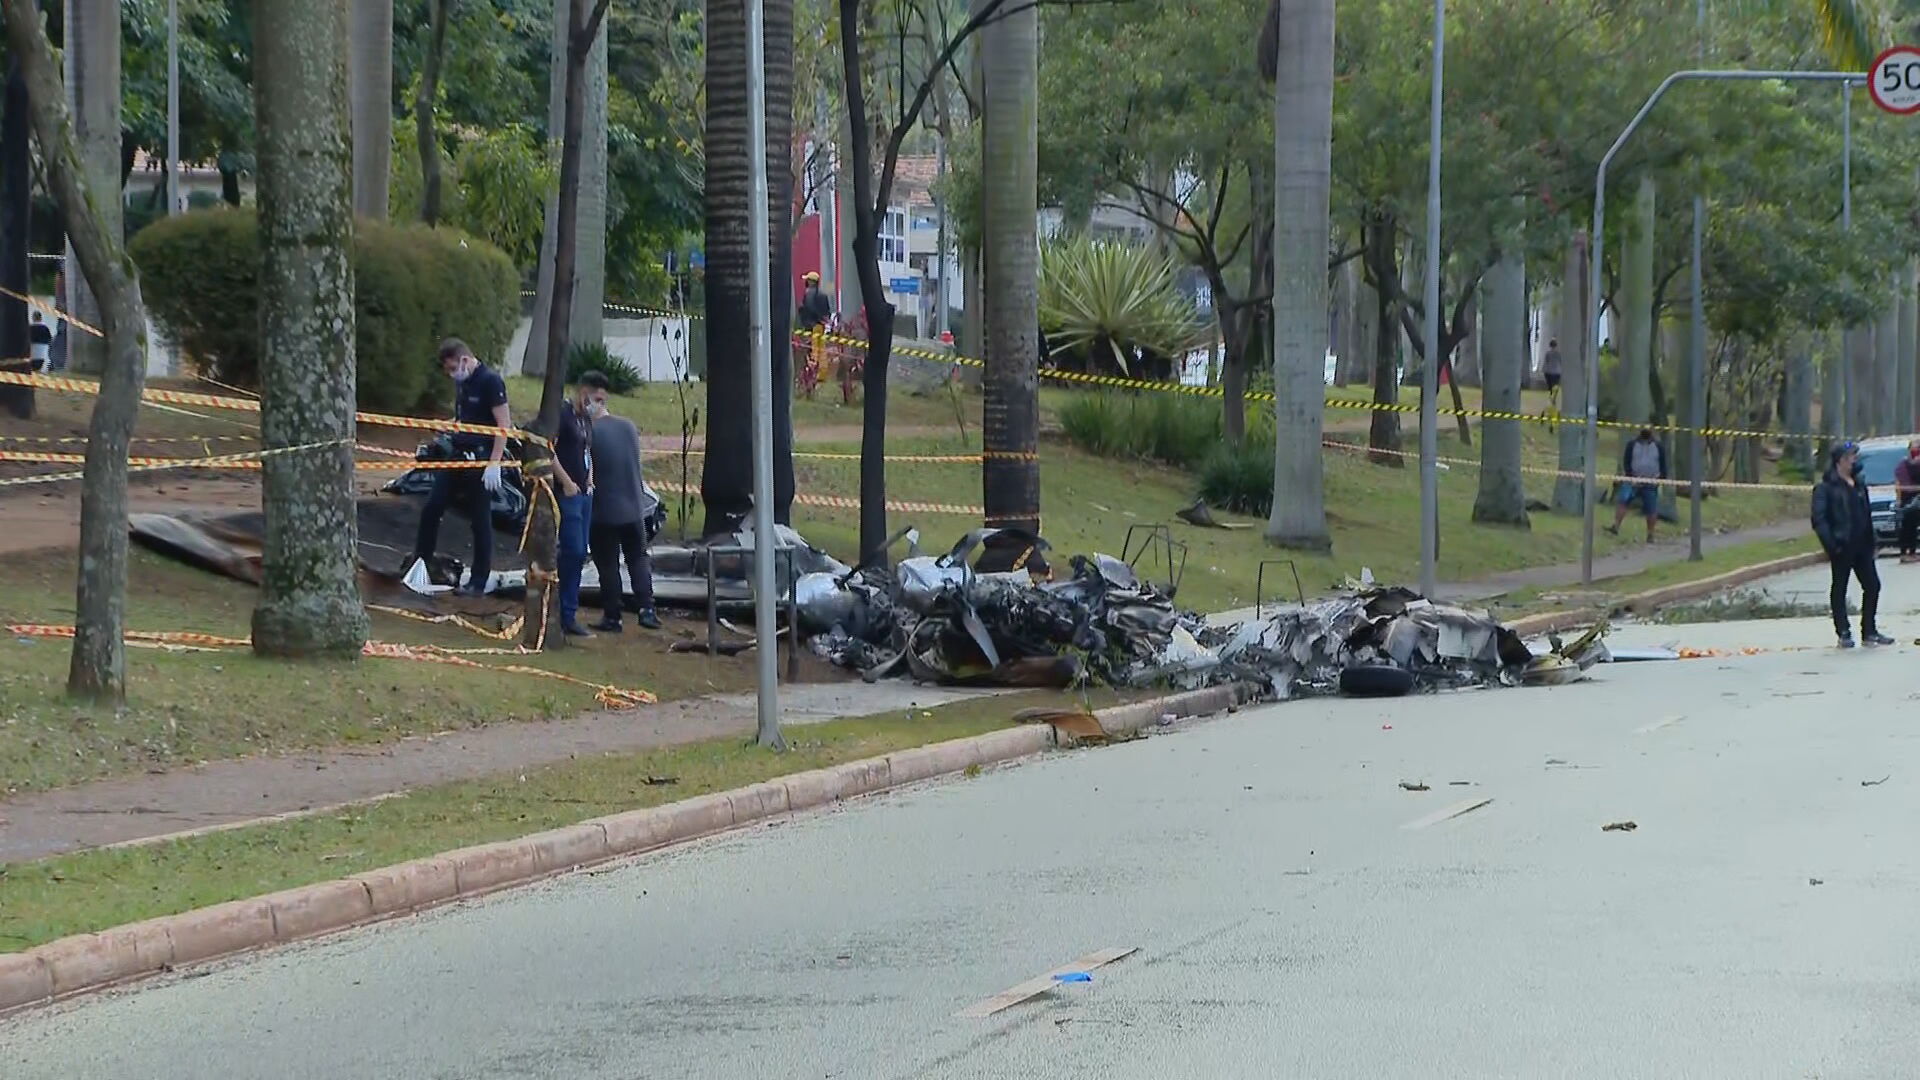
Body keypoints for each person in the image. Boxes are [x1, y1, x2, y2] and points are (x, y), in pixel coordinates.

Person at [411, 339, 512, 596]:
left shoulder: (490, 381)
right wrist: (446, 426)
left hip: (480, 458)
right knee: (433, 507)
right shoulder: (463, 384)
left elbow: (504, 426)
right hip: (458, 453)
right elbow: (465, 420)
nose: (451, 373)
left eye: (453, 367)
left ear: (465, 360)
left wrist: (494, 462)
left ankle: (479, 579)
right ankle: (419, 563)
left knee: (480, 519)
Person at [1812, 441, 1891, 648]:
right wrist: (1831, 544)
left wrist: (1873, 541)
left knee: (1873, 585)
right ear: (1840, 461)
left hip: (1862, 545)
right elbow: (1819, 520)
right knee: (1840, 588)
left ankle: (1870, 630)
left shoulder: (1859, 484)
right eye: (1851, 457)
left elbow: (1866, 514)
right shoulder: (1825, 488)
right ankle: (1844, 631)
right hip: (1842, 545)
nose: (1855, 461)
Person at [588, 409, 661, 632]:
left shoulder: (590, 432)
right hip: (634, 508)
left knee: (607, 563)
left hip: (604, 510)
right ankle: (647, 610)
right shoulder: (628, 426)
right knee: (638, 558)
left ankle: (613, 615)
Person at [555, 371, 609, 637]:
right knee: (573, 550)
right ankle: (562, 609)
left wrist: (589, 478)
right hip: (568, 493)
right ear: (584, 392)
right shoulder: (563, 414)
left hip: (584, 493)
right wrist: (566, 481)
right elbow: (548, 449)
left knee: (579, 553)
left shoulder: (586, 419)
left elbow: (587, 449)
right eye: (597, 398)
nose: (599, 404)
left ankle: (569, 614)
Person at [1607, 427, 1667, 542]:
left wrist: (1659, 480)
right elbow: (1627, 461)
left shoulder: (1659, 446)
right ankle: (1615, 526)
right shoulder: (1632, 445)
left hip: (1651, 482)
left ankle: (1650, 534)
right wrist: (1630, 477)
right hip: (1632, 480)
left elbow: (1663, 464)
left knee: (1651, 508)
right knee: (1623, 501)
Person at [1895, 438, 1920, 563]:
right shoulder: (1903, 465)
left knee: (1914, 527)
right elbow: (1901, 485)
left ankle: (1913, 551)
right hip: (1909, 500)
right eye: (1914, 449)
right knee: (1907, 527)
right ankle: (1904, 552)